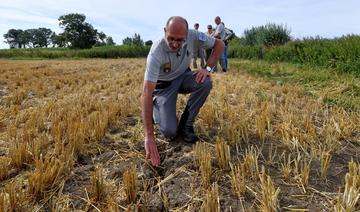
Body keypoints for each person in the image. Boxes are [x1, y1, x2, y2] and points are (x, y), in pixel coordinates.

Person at [141, 16, 224, 167]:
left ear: (187, 35)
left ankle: (186, 124)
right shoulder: (156, 52)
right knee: (170, 132)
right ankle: (157, 106)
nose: (174, 44)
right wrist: (149, 136)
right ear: (165, 31)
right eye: (171, 38)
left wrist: (207, 68)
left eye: (180, 40)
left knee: (205, 82)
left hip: (183, 76)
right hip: (163, 87)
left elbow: (219, 44)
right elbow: (146, 92)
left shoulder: (194, 35)